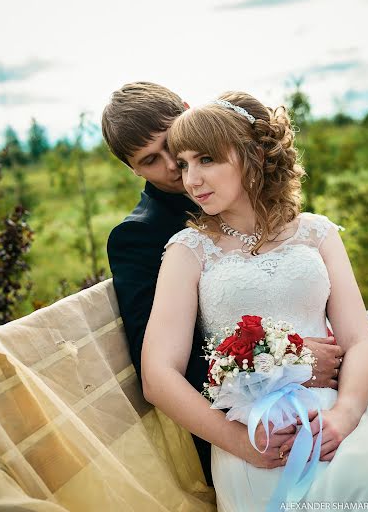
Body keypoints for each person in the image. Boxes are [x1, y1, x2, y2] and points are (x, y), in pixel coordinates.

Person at [141, 92, 368, 510]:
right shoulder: (188, 251)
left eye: (206, 160)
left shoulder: (317, 234)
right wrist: (242, 443)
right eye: (184, 164)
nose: (190, 180)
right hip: (259, 433)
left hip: (346, 407)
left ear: (253, 154)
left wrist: (345, 415)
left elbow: (361, 340)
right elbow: (157, 375)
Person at [102, 82, 354, 487]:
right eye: (152, 160)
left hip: (332, 381)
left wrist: (353, 363)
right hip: (245, 414)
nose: (176, 169)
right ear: (133, 169)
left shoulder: (269, 202)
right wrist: (286, 362)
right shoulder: (145, 237)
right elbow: (165, 364)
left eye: (178, 146)